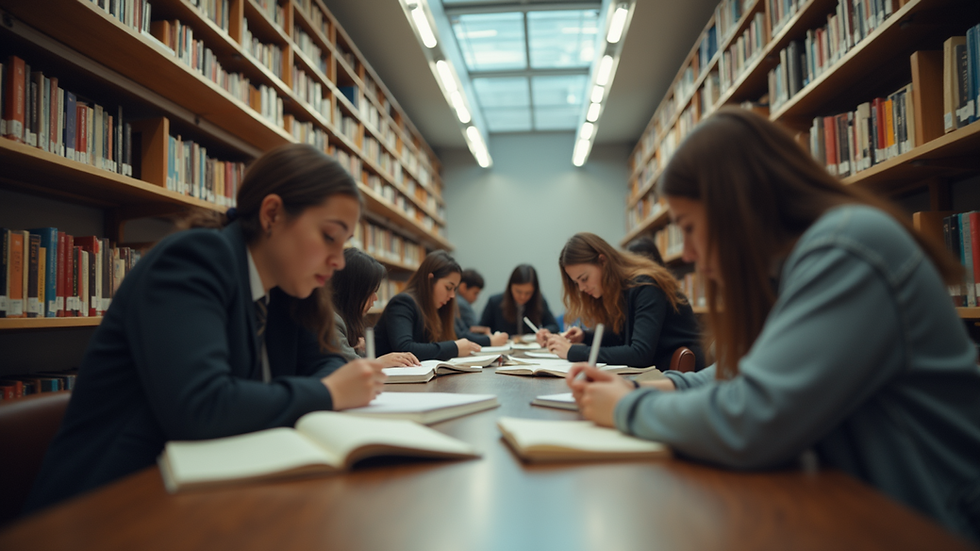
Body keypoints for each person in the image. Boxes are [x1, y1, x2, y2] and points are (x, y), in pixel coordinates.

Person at [567, 107, 980, 543]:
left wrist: (626, 409)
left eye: (689, 227)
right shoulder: (793, 267)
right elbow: (741, 373)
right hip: (864, 512)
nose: (685, 252)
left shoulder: (845, 251)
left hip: (937, 527)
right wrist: (641, 388)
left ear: (736, 207)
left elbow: (753, 417)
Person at [26, 144, 387, 513]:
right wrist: (327, 394)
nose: (339, 261)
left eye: (344, 244)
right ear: (273, 214)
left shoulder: (287, 288)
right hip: (108, 502)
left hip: (204, 490)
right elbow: (202, 405)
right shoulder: (193, 259)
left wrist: (328, 385)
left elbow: (327, 362)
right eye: (329, 236)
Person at [545, 233, 703, 370]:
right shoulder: (620, 290)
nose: (581, 288)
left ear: (603, 261)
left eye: (584, 279)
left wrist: (572, 352)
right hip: (658, 372)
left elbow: (639, 354)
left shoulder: (646, 286)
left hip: (680, 379)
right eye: (576, 283)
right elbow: (621, 338)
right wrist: (585, 337)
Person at [373, 251, 483, 360]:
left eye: (454, 289)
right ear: (430, 280)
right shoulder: (403, 302)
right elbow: (405, 348)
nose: (452, 295)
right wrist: (454, 347)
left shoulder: (437, 307)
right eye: (448, 287)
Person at [330, 248, 420, 366]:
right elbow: (345, 367)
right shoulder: (331, 321)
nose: (376, 298)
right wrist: (379, 362)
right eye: (372, 291)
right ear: (353, 291)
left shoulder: (346, 322)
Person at [479, 264, 559, 341]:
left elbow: (554, 326)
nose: (523, 297)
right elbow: (481, 330)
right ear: (510, 287)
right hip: (502, 350)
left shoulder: (539, 300)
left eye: (528, 293)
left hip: (531, 350)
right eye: (518, 291)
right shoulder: (494, 302)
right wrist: (490, 337)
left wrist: (546, 331)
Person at [454, 268, 509, 347]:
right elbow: (471, 330)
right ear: (463, 287)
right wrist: (488, 338)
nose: (476, 298)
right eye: (475, 293)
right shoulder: (461, 303)